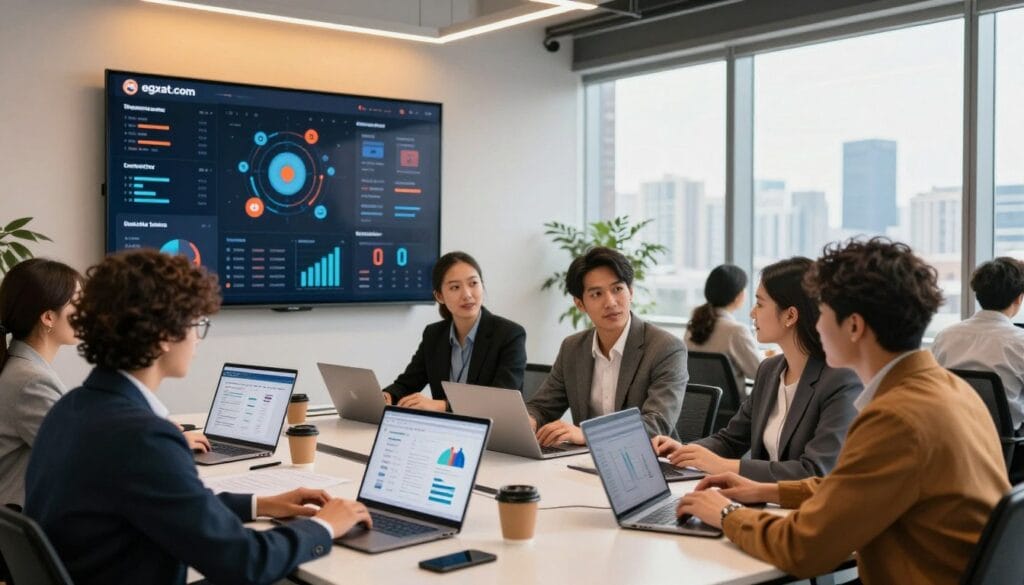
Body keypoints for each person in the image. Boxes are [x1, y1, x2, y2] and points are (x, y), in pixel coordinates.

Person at [25, 250, 372, 585]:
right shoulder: (143, 437)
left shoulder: (71, 408)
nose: (197, 339)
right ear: (163, 337)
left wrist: (262, 504)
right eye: (195, 323)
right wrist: (324, 526)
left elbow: (166, 501)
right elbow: (245, 562)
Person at [678, 238, 1009, 585]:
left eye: (821, 312)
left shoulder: (897, 417)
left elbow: (804, 546)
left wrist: (727, 513)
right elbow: (853, 487)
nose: (815, 324)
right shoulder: (950, 390)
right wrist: (765, 491)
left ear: (853, 326)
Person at [654, 258, 861, 481]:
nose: (752, 313)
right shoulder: (769, 370)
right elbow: (730, 440)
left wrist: (726, 466)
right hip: (760, 501)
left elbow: (814, 471)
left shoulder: (841, 379)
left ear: (790, 315)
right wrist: (684, 451)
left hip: (800, 509)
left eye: (760, 304)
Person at [525, 246, 687, 445]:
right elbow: (542, 407)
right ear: (580, 304)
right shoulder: (572, 348)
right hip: (586, 461)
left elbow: (656, 424)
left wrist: (588, 435)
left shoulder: (665, 348)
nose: (610, 302)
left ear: (631, 292)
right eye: (596, 294)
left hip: (650, 461)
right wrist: (529, 421)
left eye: (617, 289)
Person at [383, 251, 526, 412]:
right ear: (439, 296)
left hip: (492, 432)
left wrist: (444, 406)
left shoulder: (509, 335)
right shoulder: (433, 335)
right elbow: (407, 383)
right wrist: (388, 396)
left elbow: (501, 400)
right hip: (444, 431)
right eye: (455, 287)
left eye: (473, 283)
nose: (467, 294)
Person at [0, 259, 82, 507]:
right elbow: (79, 457)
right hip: (26, 525)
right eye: (77, 302)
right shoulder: (31, 381)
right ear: (48, 317)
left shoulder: (20, 367)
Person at [932, 256, 1024, 433]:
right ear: (1019, 298)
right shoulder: (1020, 342)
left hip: (954, 436)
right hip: (1003, 445)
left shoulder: (944, 337)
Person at [685, 264, 761, 393]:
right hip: (736, 412)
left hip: (701, 409)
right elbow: (759, 373)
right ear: (738, 295)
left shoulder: (693, 327)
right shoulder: (735, 331)